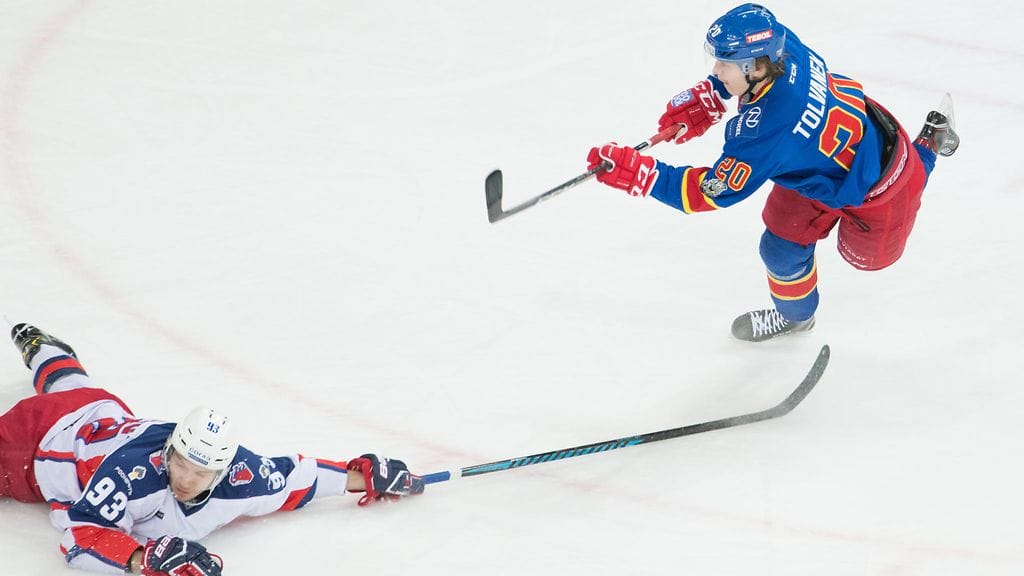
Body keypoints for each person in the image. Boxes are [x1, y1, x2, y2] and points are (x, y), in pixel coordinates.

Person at [586, 3, 960, 342]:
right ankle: (796, 319)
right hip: (815, 165)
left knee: (866, 257)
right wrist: (714, 95)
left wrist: (643, 175)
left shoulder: (765, 132)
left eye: (725, 64)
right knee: (779, 251)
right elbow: (757, 86)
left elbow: (708, 193)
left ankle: (931, 142)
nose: (715, 70)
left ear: (756, 66)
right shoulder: (784, 46)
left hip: (880, 186)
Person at [0, 323, 425, 575]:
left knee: (75, 388)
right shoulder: (131, 475)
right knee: (66, 396)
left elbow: (298, 478)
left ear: (222, 470)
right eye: (179, 464)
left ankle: (46, 352)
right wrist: (141, 558)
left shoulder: (244, 476)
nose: (184, 479)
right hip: (37, 445)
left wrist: (362, 475)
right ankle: (49, 355)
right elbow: (80, 535)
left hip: (100, 410)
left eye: (200, 473)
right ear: (169, 451)